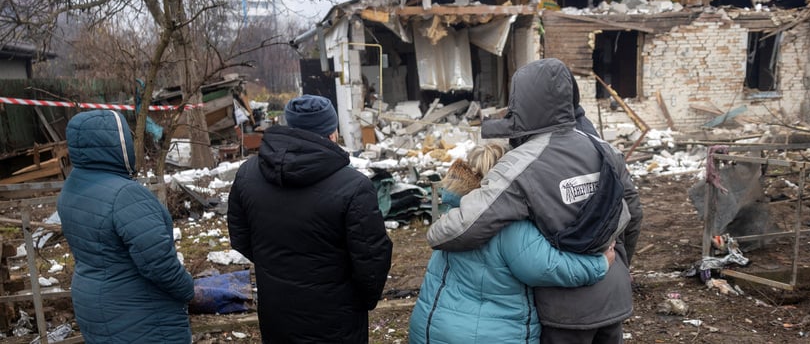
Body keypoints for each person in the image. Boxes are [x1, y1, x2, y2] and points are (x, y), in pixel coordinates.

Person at [427, 58, 644, 344]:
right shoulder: (604, 149)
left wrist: (437, 229)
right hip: (613, 297)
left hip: (565, 311)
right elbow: (633, 213)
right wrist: (619, 267)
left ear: (521, 102)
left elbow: (468, 226)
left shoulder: (520, 164)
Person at [410, 143, 616, 344]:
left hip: (429, 326)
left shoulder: (455, 215)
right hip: (486, 334)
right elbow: (547, 267)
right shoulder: (507, 226)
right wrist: (599, 264)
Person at [227, 94, 393, 343]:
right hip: (336, 317)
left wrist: (276, 266)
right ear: (332, 133)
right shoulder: (354, 187)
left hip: (277, 312)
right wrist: (362, 300)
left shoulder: (248, 174)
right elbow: (372, 261)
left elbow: (241, 238)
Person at [57, 110, 194, 343]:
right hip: (138, 312)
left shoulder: (72, 187)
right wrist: (188, 289)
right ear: (115, 143)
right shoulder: (125, 194)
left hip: (94, 303)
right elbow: (158, 263)